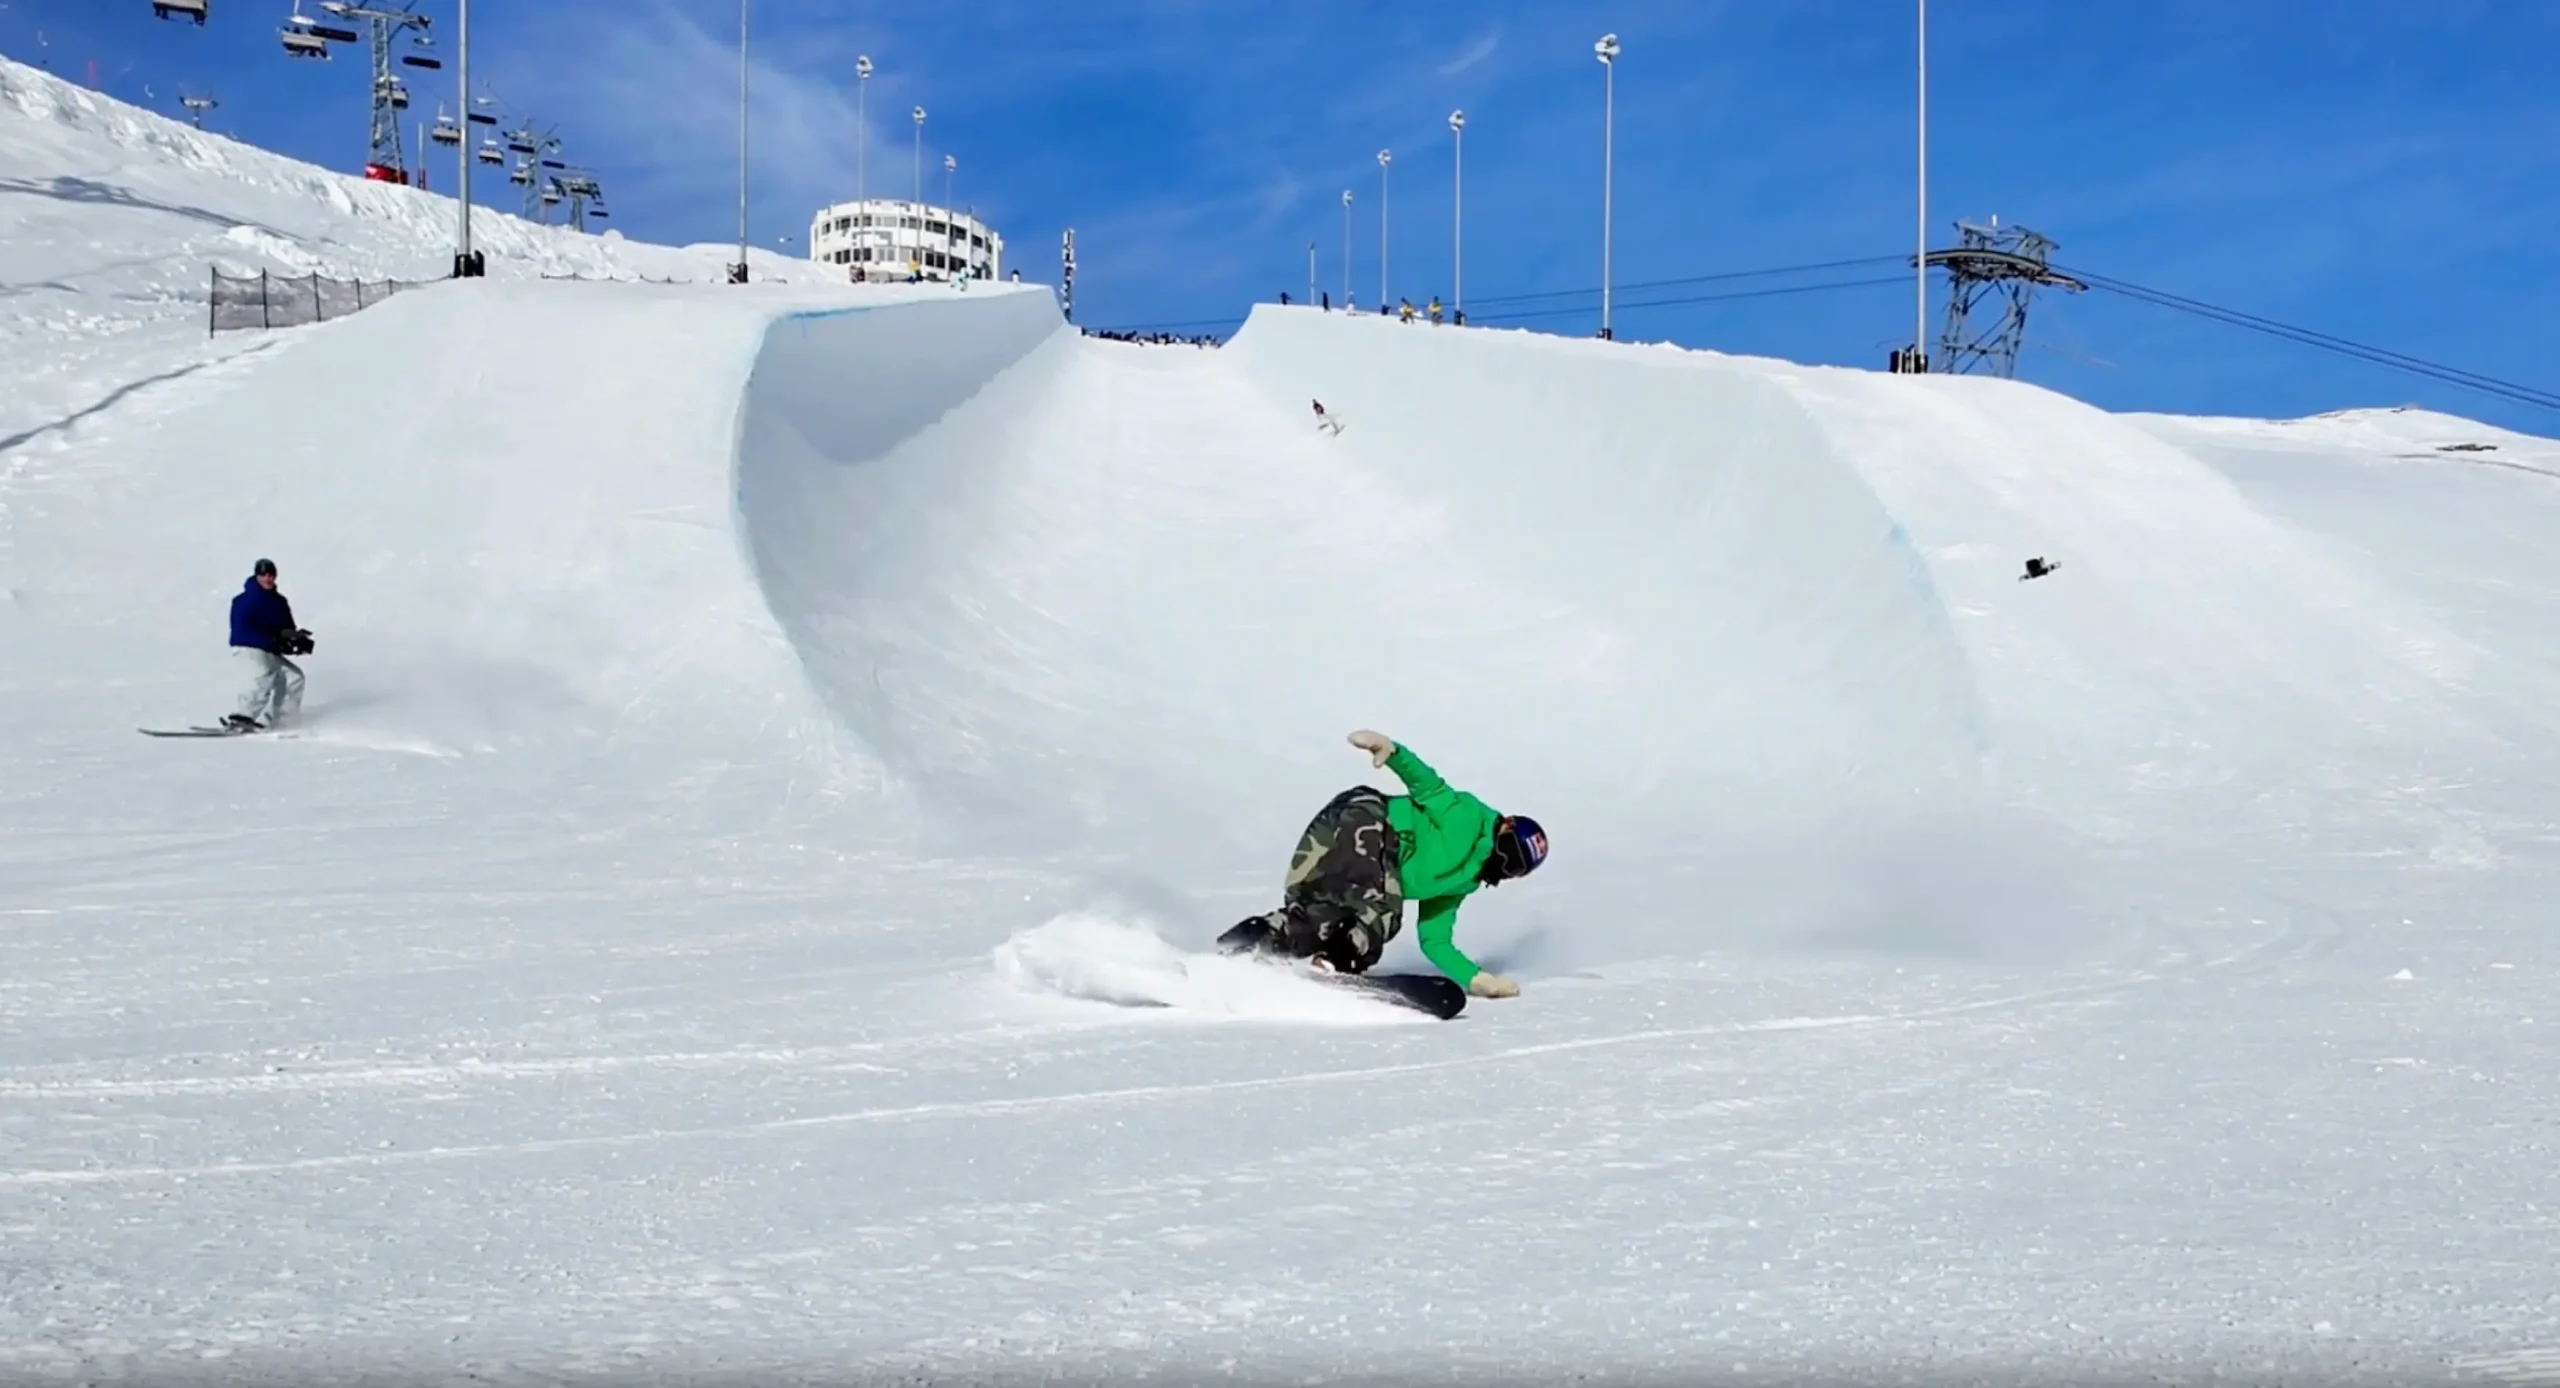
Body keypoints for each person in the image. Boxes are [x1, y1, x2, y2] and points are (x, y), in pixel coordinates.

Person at [1217, 729, 1545, 999]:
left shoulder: (1460, 885)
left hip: (1346, 846)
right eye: (1508, 851)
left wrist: (1475, 979)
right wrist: (1391, 751)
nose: (1503, 863)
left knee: (1322, 919)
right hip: (1366, 817)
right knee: (1384, 910)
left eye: (1513, 867)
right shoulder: (1467, 816)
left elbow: (1435, 940)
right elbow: (1428, 785)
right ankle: (1334, 964)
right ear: (1505, 826)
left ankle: (1249, 942)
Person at [226, 557, 309, 731]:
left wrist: (295, 639)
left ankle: (284, 721)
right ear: (256, 576)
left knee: (294, 677)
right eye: (263, 575)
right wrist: (273, 638)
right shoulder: (244, 600)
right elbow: (240, 630)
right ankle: (243, 717)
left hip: (270, 650)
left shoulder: (279, 602)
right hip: (248, 647)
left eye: (271, 575)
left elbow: (286, 628)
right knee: (263, 674)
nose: (267, 578)